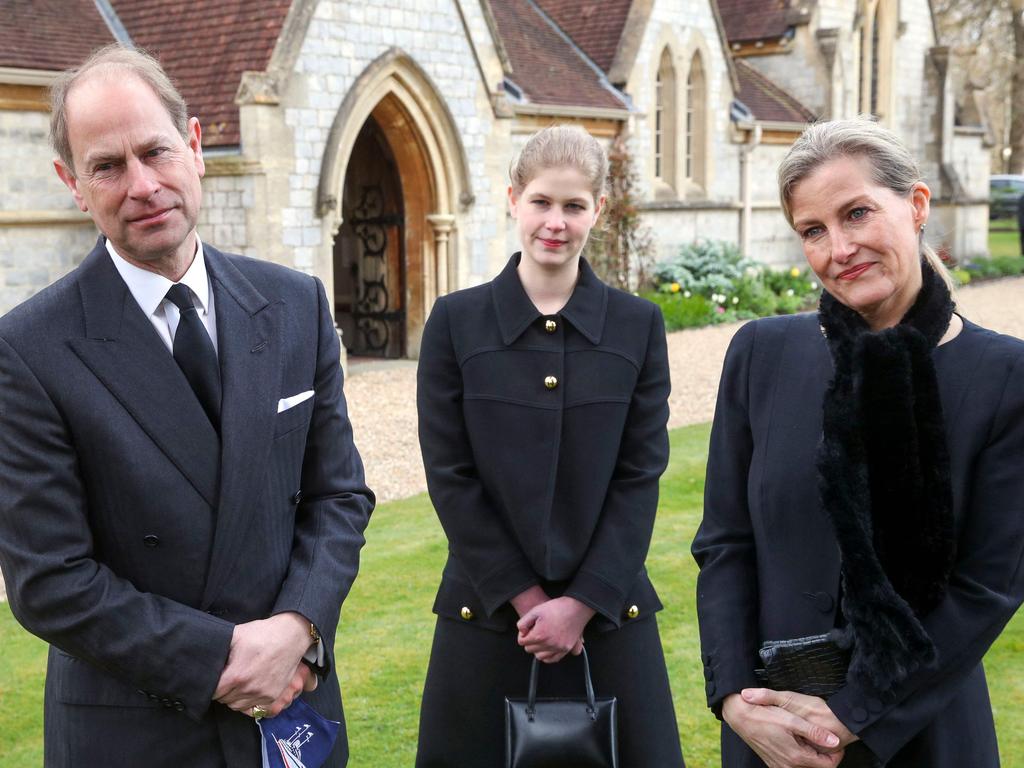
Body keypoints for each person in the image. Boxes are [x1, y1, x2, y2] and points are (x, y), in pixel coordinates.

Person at [0, 45, 374, 767]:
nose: (142, 185)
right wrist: (227, 658)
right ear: (72, 183)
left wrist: (297, 627)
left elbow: (339, 496)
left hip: (293, 709)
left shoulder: (294, 303)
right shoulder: (28, 349)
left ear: (195, 147)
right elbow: (50, 582)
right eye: (107, 166)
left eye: (156, 151)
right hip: (138, 730)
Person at [692, 117, 1024, 768]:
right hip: (772, 732)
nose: (838, 248)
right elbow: (725, 544)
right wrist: (733, 696)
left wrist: (852, 714)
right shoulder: (760, 354)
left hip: (921, 730)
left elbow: (989, 585)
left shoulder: (1005, 376)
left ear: (917, 206)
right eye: (813, 230)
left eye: (858, 214)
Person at [414, 125, 685, 767]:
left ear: (598, 209)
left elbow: (638, 476)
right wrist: (530, 602)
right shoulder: (455, 323)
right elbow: (450, 475)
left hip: (609, 619)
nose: (555, 223)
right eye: (541, 202)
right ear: (513, 199)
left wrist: (582, 603)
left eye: (573, 205)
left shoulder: (638, 326)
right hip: (486, 615)